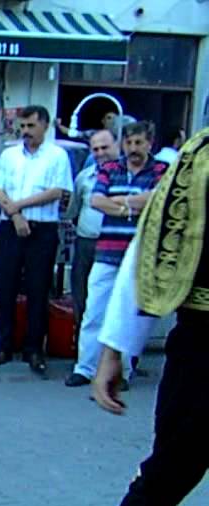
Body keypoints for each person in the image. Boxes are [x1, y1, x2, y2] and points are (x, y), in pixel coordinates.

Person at [84, 127, 208, 506]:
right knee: (165, 472)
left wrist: (115, 349)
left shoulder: (197, 155)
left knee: (165, 473)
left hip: (201, 346)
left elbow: (155, 251)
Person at [66, 121, 168, 389]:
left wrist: (120, 201)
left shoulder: (161, 169)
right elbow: (96, 201)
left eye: (139, 143)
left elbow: (158, 199)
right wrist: (134, 206)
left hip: (139, 254)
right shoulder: (110, 168)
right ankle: (85, 368)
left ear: (150, 143)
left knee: (129, 314)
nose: (133, 148)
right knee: (93, 312)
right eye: (129, 143)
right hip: (107, 252)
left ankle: (121, 372)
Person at [0, 105, 74, 375]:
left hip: (43, 229)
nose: (25, 132)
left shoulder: (58, 155)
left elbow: (57, 191)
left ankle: (34, 348)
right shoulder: (9, 154)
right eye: (22, 127)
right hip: (9, 227)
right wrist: (14, 216)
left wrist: (19, 206)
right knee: (5, 287)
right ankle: (2, 346)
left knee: (38, 289)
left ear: (45, 126)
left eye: (31, 126)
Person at [65, 129, 119, 336]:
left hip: (116, 244)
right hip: (86, 244)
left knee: (114, 300)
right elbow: (73, 211)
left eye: (105, 147)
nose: (100, 153)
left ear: (117, 145)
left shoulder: (127, 177)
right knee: (82, 297)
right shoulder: (84, 178)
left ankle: (120, 361)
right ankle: (83, 353)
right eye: (95, 149)